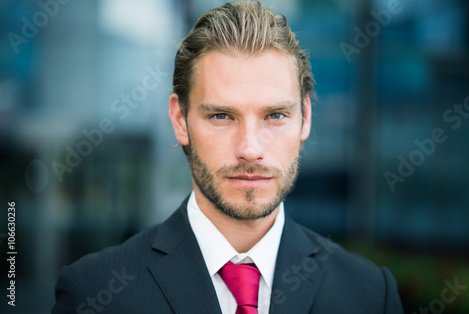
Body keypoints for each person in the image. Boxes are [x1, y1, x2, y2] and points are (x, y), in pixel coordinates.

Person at [52, 1, 404, 313]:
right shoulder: (94, 294)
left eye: (275, 115)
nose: (250, 149)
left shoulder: (371, 294)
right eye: (221, 116)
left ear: (305, 118)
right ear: (180, 120)